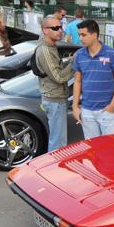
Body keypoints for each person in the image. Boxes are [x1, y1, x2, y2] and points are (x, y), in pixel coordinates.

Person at [72, 19, 114, 139]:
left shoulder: (112, 54)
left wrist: (112, 105)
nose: (80, 38)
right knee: (92, 151)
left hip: (107, 111)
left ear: (95, 35)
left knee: (111, 148)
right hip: (87, 112)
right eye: (79, 35)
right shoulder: (79, 55)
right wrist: (75, 107)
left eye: (83, 35)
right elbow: (77, 81)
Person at [35, 14, 75, 152]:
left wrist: (68, 61)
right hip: (54, 100)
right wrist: (74, 62)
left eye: (61, 27)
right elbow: (58, 77)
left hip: (56, 99)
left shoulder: (51, 46)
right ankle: (53, 172)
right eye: (56, 28)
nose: (60, 30)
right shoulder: (45, 50)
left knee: (58, 140)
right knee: (58, 143)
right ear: (45, 30)